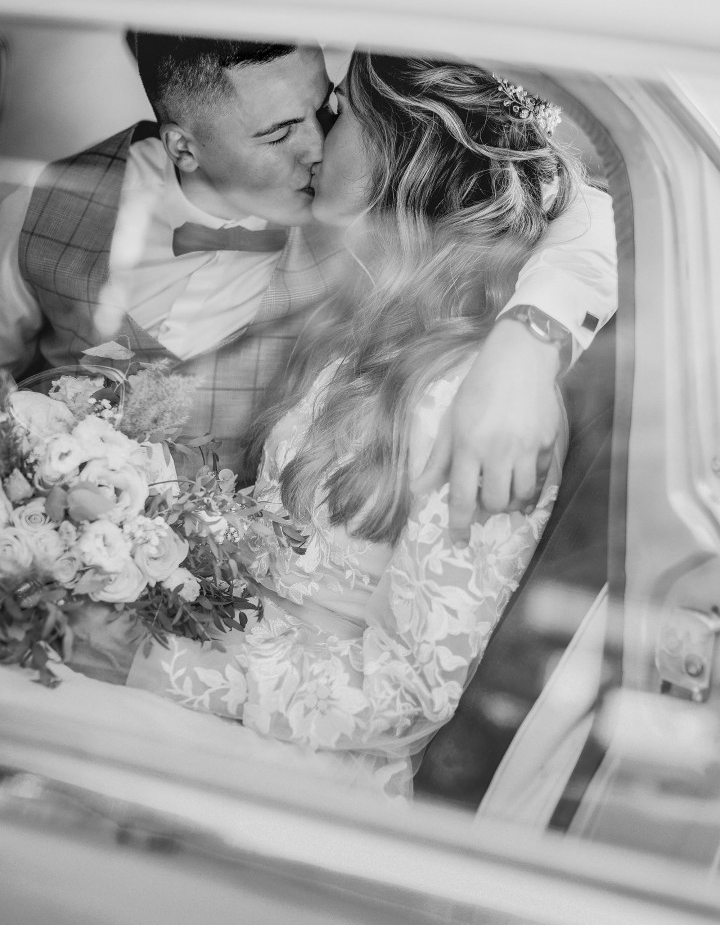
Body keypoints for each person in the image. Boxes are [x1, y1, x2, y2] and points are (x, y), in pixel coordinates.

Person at [126, 52, 588, 794]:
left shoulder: (476, 403)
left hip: (303, 773)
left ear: (394, 152)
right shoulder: (367, 315)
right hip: (206, 703)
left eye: (339, 112)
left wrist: (170, 660)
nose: (316, 141)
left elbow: (410, 693)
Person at [0, 33, 616, 514]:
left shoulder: (361, 213)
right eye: (278, 134)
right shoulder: (43, 201)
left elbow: (588, 212)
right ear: (183, 147)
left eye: (324, 111)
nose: (319, 149)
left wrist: (529, 344)